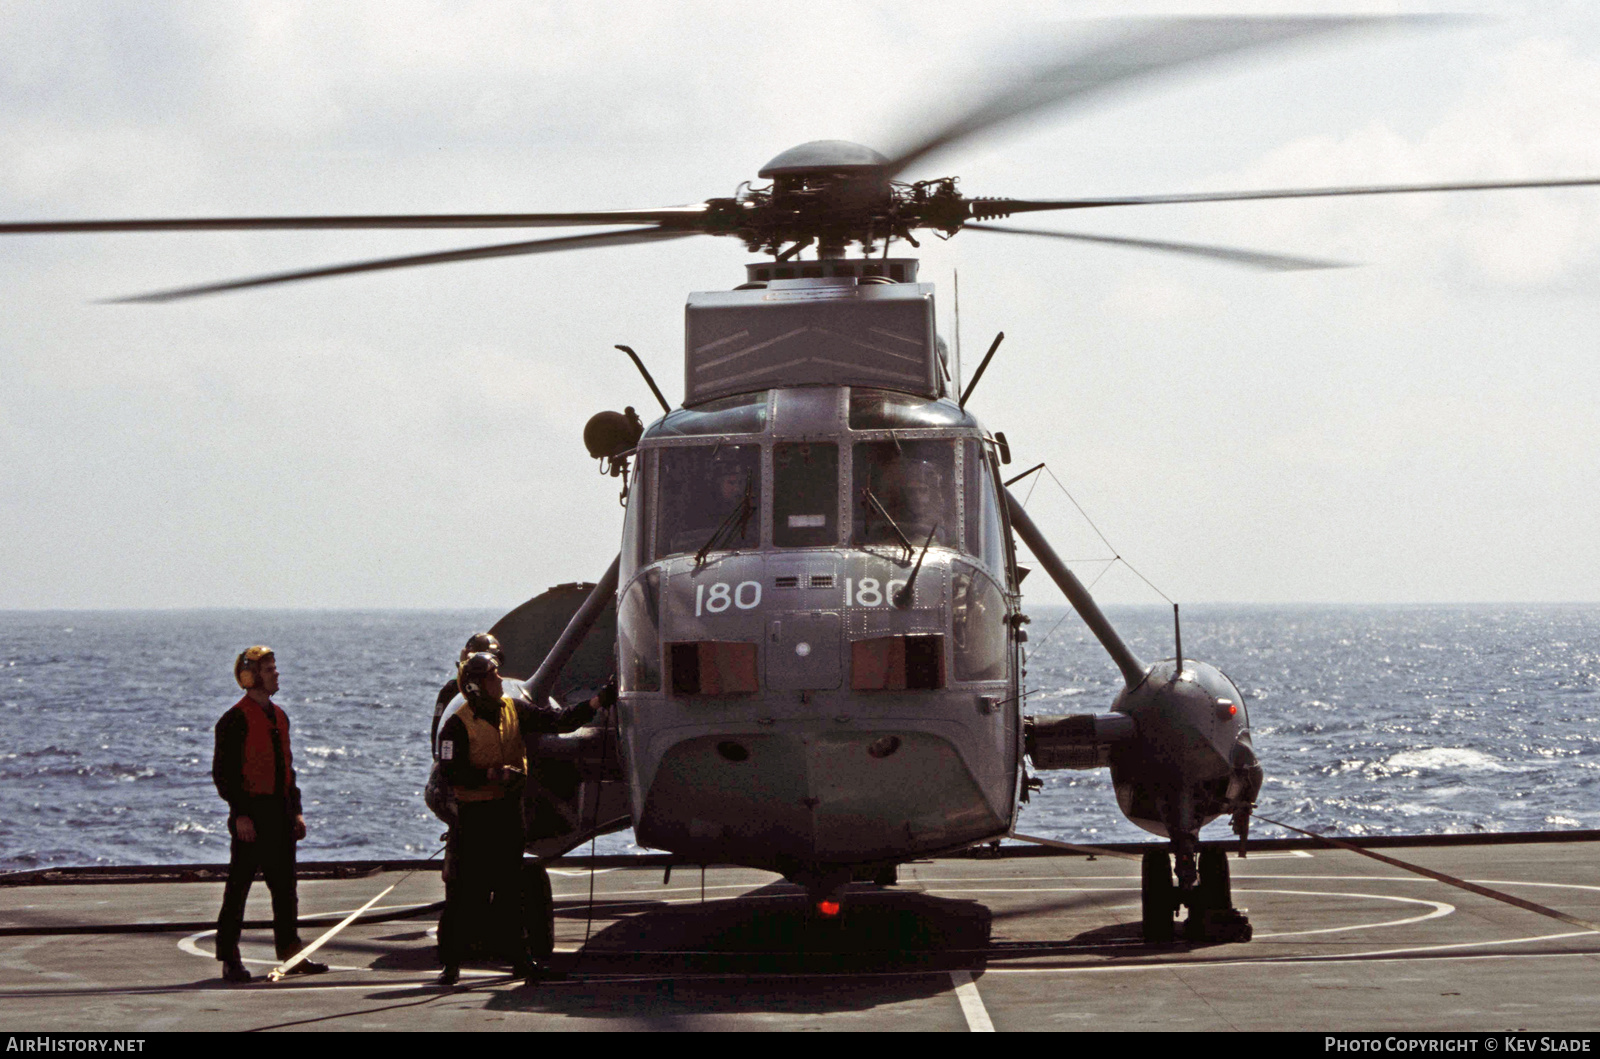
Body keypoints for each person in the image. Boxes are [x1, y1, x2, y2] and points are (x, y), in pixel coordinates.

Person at [434, 652, 613, 986]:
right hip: (475, 819)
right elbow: (450, 772)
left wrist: (596, 702)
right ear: (476, 686)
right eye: (493, 676)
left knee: (510, 890)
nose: (501, 680)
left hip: (507, 814)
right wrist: (491, 774)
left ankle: (520, 961)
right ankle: (451, 964)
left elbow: (558, 721)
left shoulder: (513, 709)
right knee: (467, 894)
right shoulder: (456, 725)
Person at [211, 646, 328, 983]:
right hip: (252, 813)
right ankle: (229, 957)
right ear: (251, 676)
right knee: (238, 889)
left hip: (280, 813)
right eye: (269, 669)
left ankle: (290, 951)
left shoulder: (280, 716)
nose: (276, 674)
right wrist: (240, 815)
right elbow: (225, 775)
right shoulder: (234, 719)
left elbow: (287, 770)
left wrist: (297, 812)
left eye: (275, 668)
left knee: (286, 889)